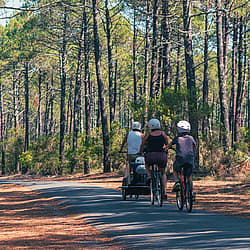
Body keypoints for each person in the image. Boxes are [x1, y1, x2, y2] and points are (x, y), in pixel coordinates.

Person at [138, 118, 168, 198]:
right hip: (161, 155)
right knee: (163, 173)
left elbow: (142, 144)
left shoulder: (148, 135)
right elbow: (167, 144)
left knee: (147, 165)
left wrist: (140, 152)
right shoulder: (163, 134)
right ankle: (164, 191)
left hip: (150, 155)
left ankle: (149, 176)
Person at [164, 120, 196, 192]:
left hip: (180, 159)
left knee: (175, 169)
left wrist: (166, 148)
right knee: (189, 176)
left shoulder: (177, 138)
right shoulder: (191, 138)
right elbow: (194, 145)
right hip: (189, 160)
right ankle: (191, 192)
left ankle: (177, 181)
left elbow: (169, 145)